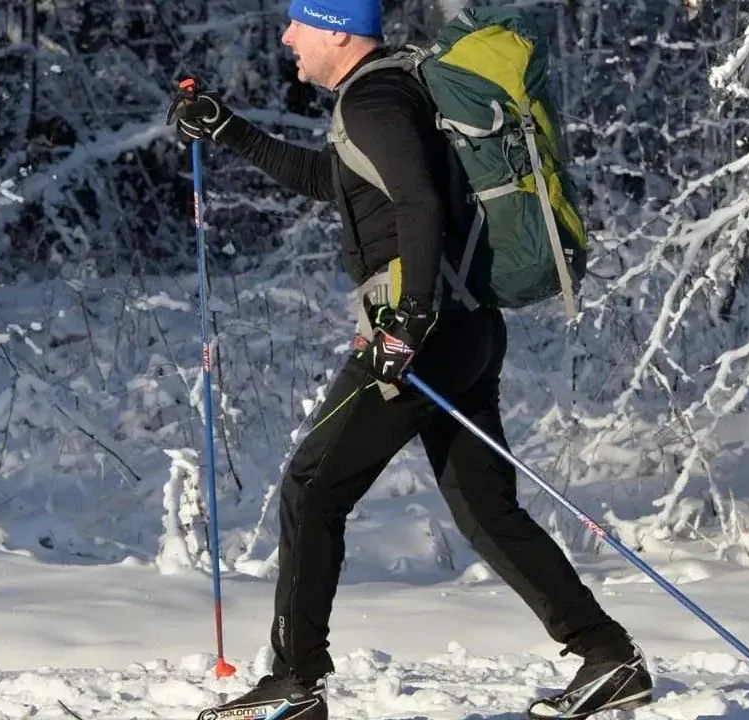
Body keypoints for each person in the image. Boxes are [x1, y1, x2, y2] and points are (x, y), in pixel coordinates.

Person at [166, 2, 653, 718]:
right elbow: (334, 183)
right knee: (486, 511)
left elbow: (419, 205)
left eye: (298, 23)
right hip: (465, 326)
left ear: (335, 28)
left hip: (422, 331)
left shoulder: (376, 100)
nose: (286, 39)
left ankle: (295, 683)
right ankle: (608, 659)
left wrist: (408, 321)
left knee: (311, 486)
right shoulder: (388, 93)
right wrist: (230, 131)